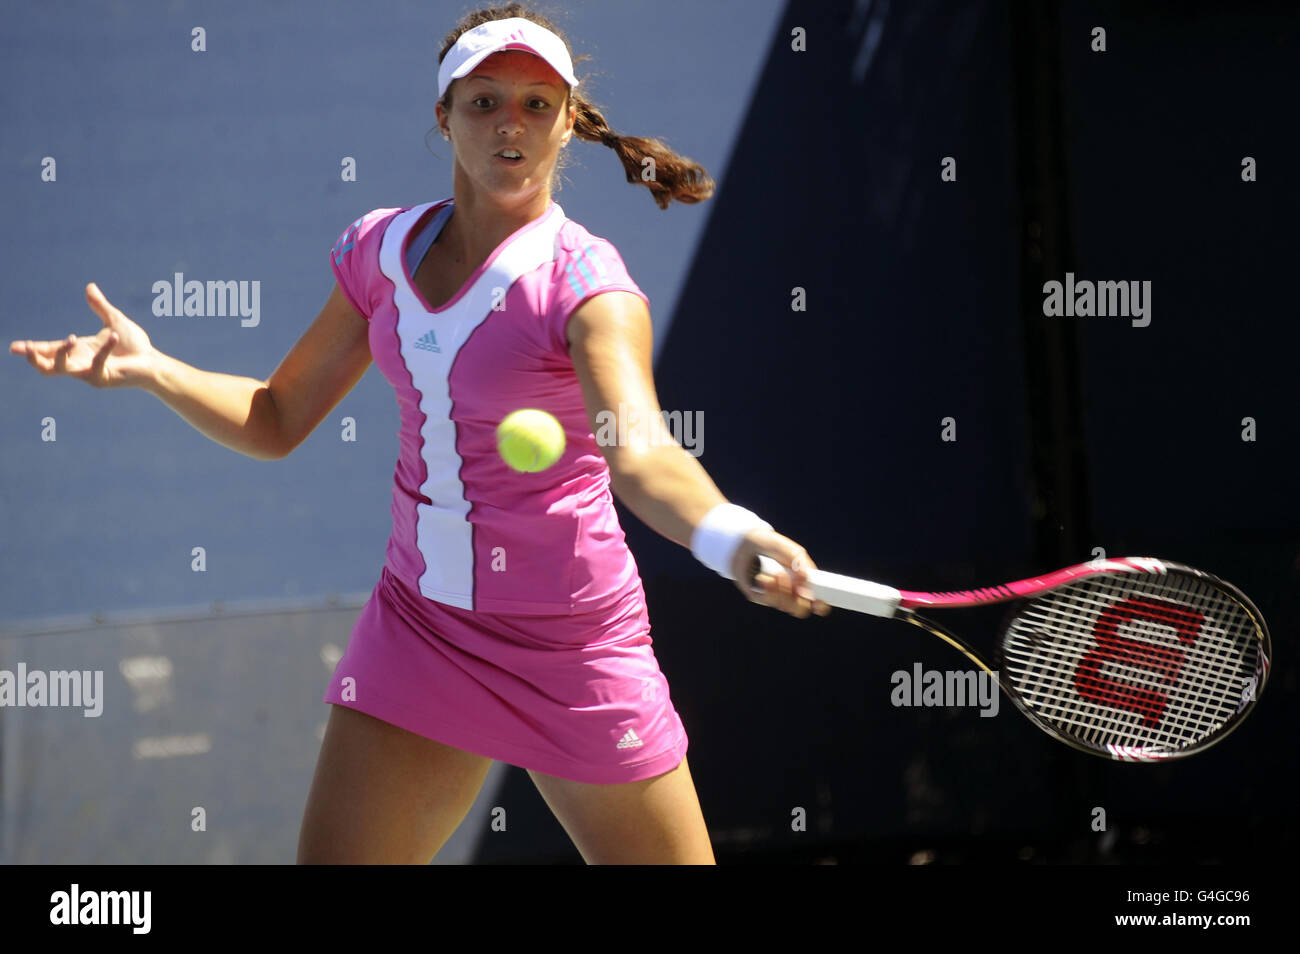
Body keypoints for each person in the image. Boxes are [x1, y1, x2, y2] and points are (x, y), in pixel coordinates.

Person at [9, 4, 829, 865]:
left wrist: (729, 533)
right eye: (484, 102)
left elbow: (642, 451)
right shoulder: (380, 253)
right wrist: (153, 368)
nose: (510, 125)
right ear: (443, 116)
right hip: (423, 627)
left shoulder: (589, 287)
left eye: (536, 104)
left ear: (568, 125)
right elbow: (277, 417)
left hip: (574, 640)